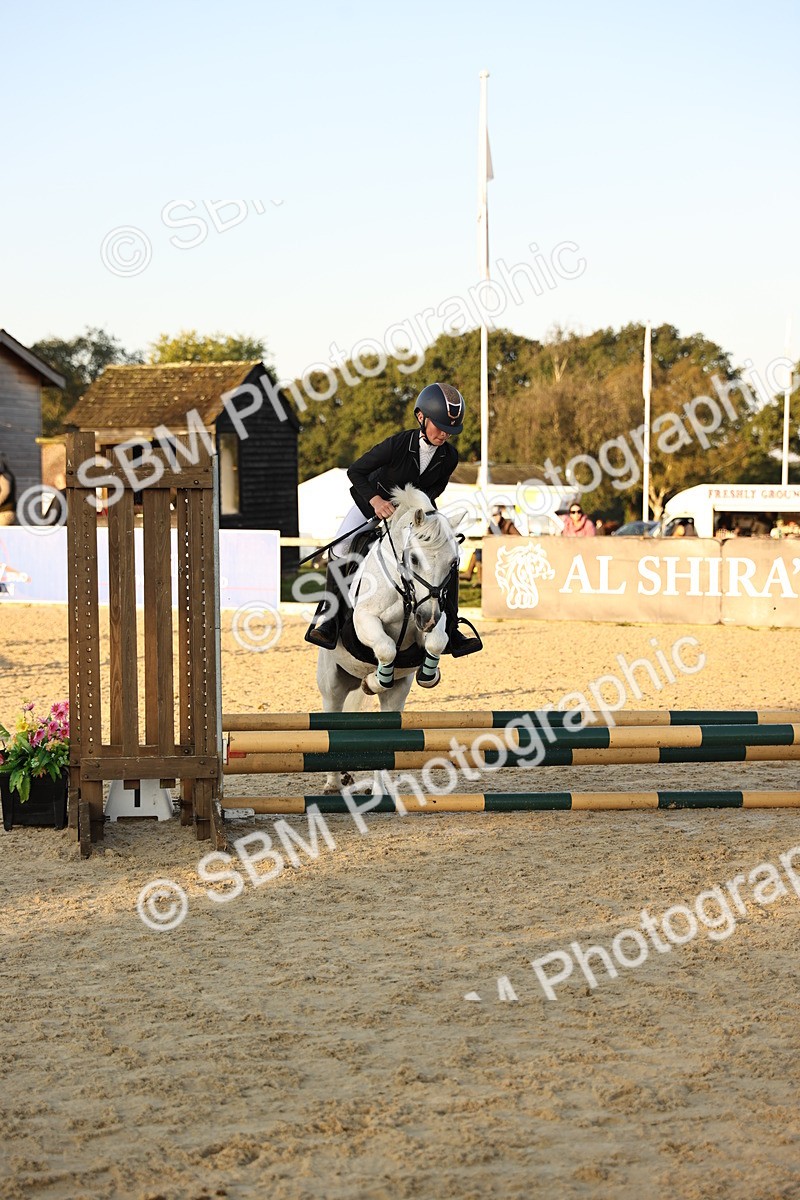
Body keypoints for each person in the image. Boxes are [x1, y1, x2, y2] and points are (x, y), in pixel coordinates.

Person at [305, 382, 482, 656]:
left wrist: (417, 508)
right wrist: (376, 501)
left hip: (415, 515)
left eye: (451, 429)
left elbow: (436, 488)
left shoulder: (450, 456)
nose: (445, 433)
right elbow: (356, 471)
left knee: (447, 554)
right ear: (421, 417)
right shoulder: (399, 444)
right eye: (439, 425)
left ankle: (452, 627)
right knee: (340, 548)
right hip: (374, 504)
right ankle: (329, 618)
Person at [0, 454, 16, 527]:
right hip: (7, 512)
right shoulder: (8, 474)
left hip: (4, 512)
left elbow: (5, 491)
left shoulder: (4, 475)